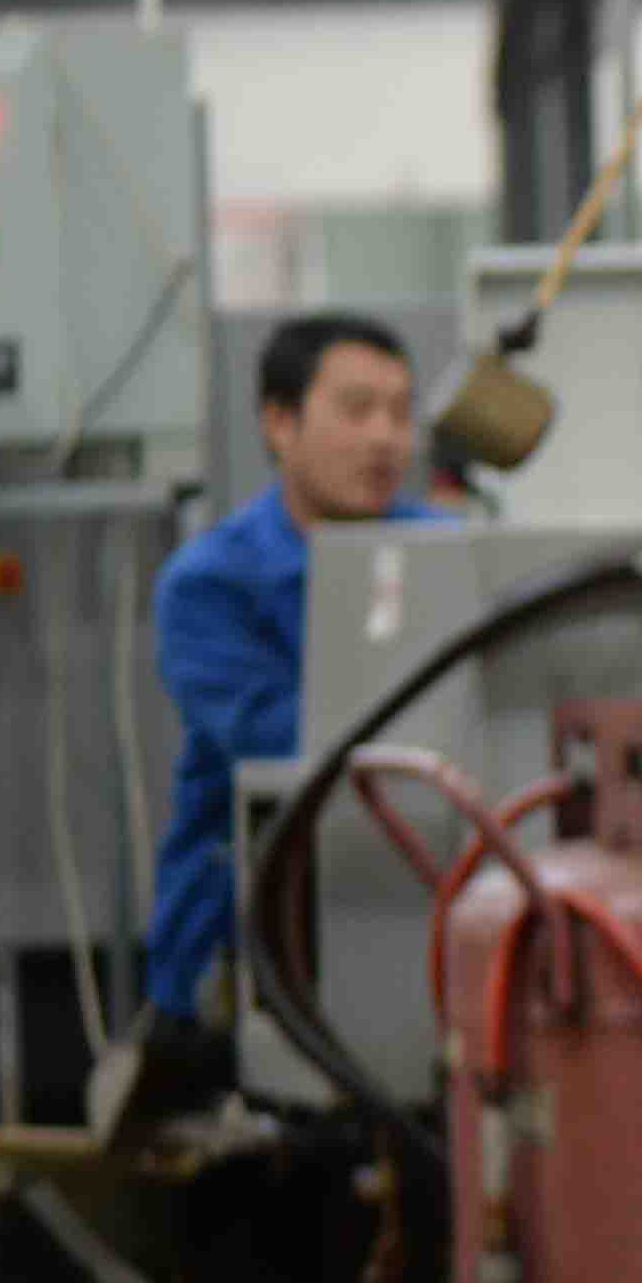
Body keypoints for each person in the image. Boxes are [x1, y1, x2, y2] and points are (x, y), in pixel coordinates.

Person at [142, 315, 436, 1022]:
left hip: (411, 903)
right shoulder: (212, 583)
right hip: (249, 929)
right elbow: (283, 740)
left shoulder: (446, 554)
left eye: (400, 414)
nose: (385, 437)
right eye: (357, 410)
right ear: (280, 423)